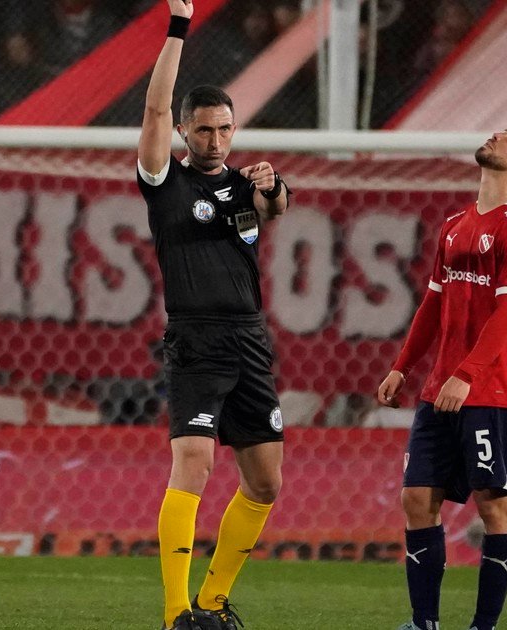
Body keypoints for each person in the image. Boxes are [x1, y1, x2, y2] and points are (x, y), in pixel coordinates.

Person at [137, 2, 290, 628]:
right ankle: (177, 613)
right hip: (197, 340)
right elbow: (151, 111)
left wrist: (273, 188)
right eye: (203, 130)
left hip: (250, 339)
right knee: (194, 464)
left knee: (265, 483)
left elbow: (274, 206)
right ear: (183, 131)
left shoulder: (241, 185)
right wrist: (178, 25)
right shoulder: (164, 181)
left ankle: (213, 601)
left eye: (225, 129)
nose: (216, 140)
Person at [375, 121, 507, 630]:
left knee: (494, 507)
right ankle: (424, 623)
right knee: (416, 498)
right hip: (441, 389)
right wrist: (402, 366)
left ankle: (482, 627)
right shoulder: (456, 224)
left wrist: (468, 374)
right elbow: (433, 303)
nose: (498, 136)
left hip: (492, 391)